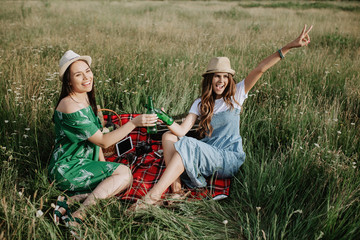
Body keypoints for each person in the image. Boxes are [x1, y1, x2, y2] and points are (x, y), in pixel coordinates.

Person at [131, 25, 313, 209]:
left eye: (225, 76)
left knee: (187, 145)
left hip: (228, 158)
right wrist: (166, 118)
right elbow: (181, 130)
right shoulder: (200, 103)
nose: (221, 81)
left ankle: (152, 197)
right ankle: (176, 189)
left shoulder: (236, 96)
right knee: (167, 136)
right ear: (210, 79)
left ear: (230, 79)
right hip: (209, 154)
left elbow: (260, 69)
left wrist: (289, 46)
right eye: (217, 76)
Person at [49, 50, 158, 225]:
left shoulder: (83, 97)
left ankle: (76, 198)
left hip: (83, 162)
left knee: (124, 177)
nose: (86, 77)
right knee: (124, 175)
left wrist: (102, 164)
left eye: (88, 71)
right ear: (69, 81)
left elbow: (97, 142)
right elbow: (103, 141)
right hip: (67, 167)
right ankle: (78, 215)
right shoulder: (69, 105)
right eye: (78, 74)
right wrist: (134, 123)